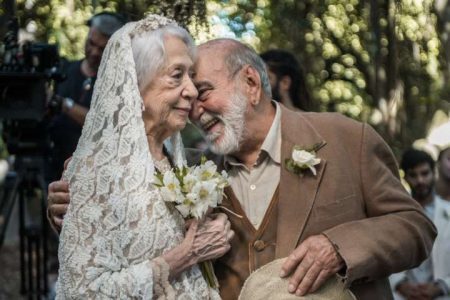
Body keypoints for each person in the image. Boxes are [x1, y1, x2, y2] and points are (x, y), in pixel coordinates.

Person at [48, 38, 436, 299]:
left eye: (202, 92)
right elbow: (132, 238)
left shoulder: (346, 138)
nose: (194, 110)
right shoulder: (190, 177)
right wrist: (75, 207)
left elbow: (414, 226)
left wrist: (341, 249)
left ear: (251, 83)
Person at [54, 15, 232, 299]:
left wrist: (214, 228)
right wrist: (184, 256)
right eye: (177, 75)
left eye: (191, 76)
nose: (192, 90)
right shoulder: (96, 171)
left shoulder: (178, 161)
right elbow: (82, 292)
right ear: (135, 83)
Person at [47, 12, 126, 180]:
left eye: (102, 48)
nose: (94, 52)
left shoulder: (116, 85)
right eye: (91, 43)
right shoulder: (65, 70)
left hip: (91, 174)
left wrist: (65, 104)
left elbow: (103, 124)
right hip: (51, 166)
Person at [390, 149, 448, 299]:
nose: (420, 180)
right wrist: (399, 284)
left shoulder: (447, 212)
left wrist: (442, 286)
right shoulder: (393, 213)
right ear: (405, 177)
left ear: (434, 172)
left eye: (425, 173)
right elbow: (383, 255)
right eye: (413, 175)